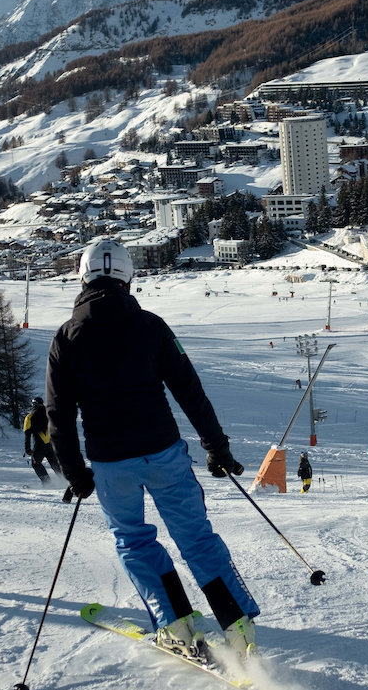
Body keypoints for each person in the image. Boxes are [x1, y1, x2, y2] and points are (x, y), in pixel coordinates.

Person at [45, 238, 260, 659]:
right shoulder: (151, 326)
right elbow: (189, 391)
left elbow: (58, 416)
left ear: (82, 275)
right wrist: (216, 447)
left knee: (134, 540)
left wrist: (76, 473)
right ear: (129, 277)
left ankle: (175, 624)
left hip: (110, 462)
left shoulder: (66, 338)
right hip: (163, 452)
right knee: (196, 538)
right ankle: (238, 628)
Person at [22, 396, 60, 485]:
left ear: (33, 405)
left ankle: (47, 483)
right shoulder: (49, 413)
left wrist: (27, 448)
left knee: (36, 463)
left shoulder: (30, 417)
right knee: (55, 464)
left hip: (39, 446)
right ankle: (66, 481)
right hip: (51, 444)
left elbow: (27, 435)